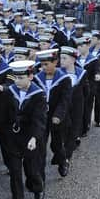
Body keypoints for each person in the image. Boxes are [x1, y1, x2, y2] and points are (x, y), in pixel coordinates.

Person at [0, 61, 47, 199]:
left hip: (30, 138)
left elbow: (39, 119)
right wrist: (1, 132)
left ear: (30, 76)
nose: (17, 81)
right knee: (15, 174)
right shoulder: (10, 91)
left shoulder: (39, 94)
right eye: (15, 77)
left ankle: (38, 187)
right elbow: (5, 113)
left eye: (21, 77)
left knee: (31, 170)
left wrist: (34, 138)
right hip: (13, 138)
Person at [35, 49, 72, 178]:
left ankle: (62, 161)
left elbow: (65, 100)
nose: (44, 67)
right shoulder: (37, 79)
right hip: (41, 118)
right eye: (42, 65)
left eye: (47, 64)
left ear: (55, 62)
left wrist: (58, 115)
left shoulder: (64, 79)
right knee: (40, 148)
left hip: (57, 118)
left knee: (56, 145)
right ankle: (40, 180)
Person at [60, 46, 87, 161]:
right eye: (60, 58)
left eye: (64, 58)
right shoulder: (59, 73)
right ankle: (66, 147)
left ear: (73, 60)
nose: (61, 61)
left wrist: (80, 101)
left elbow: (86, 90)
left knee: (74, 128)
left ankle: (67, 156)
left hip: (77, 105)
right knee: (64, 129)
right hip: (63, 106)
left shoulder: (81, 73)